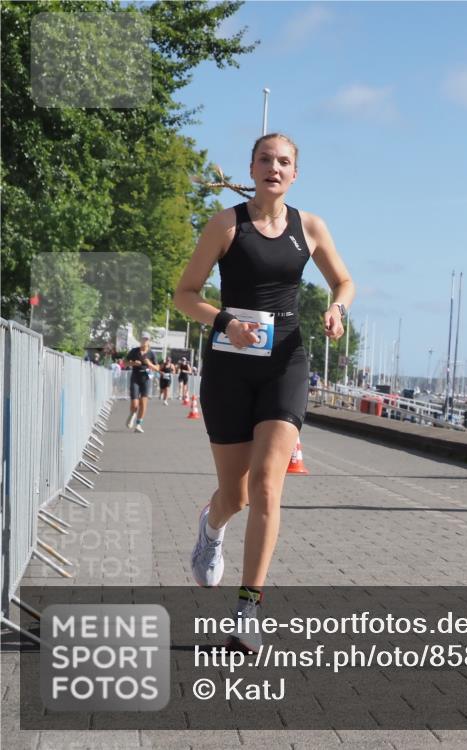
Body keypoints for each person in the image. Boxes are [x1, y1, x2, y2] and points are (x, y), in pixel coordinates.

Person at [174, 132, 354, 652]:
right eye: (265, 160)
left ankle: (247, 608)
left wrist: (337, 310)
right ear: (251, 168)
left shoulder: (310, 227)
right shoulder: (226, 224)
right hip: (229, 370)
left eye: (284, 162)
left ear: (295, 173)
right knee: (238, 494)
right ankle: (211, 527)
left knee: (270, 487)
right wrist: (225, 321)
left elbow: (344, 282)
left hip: (286, 364)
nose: (274, 168)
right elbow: (185, 295)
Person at [125, 334, 160, 433]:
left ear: (149, 341)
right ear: (140, 340)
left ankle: (138, 424)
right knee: (135, 404)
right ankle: (132, 414)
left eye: (146, 339)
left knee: (143, 403)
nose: (144, 341)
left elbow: (157, 368)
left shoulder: (151, 354)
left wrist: (149, 364)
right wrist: (133, 363)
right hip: (135, 378)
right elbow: (125, 362)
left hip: (146, 379)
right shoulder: (134, 351)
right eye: (143, 339)